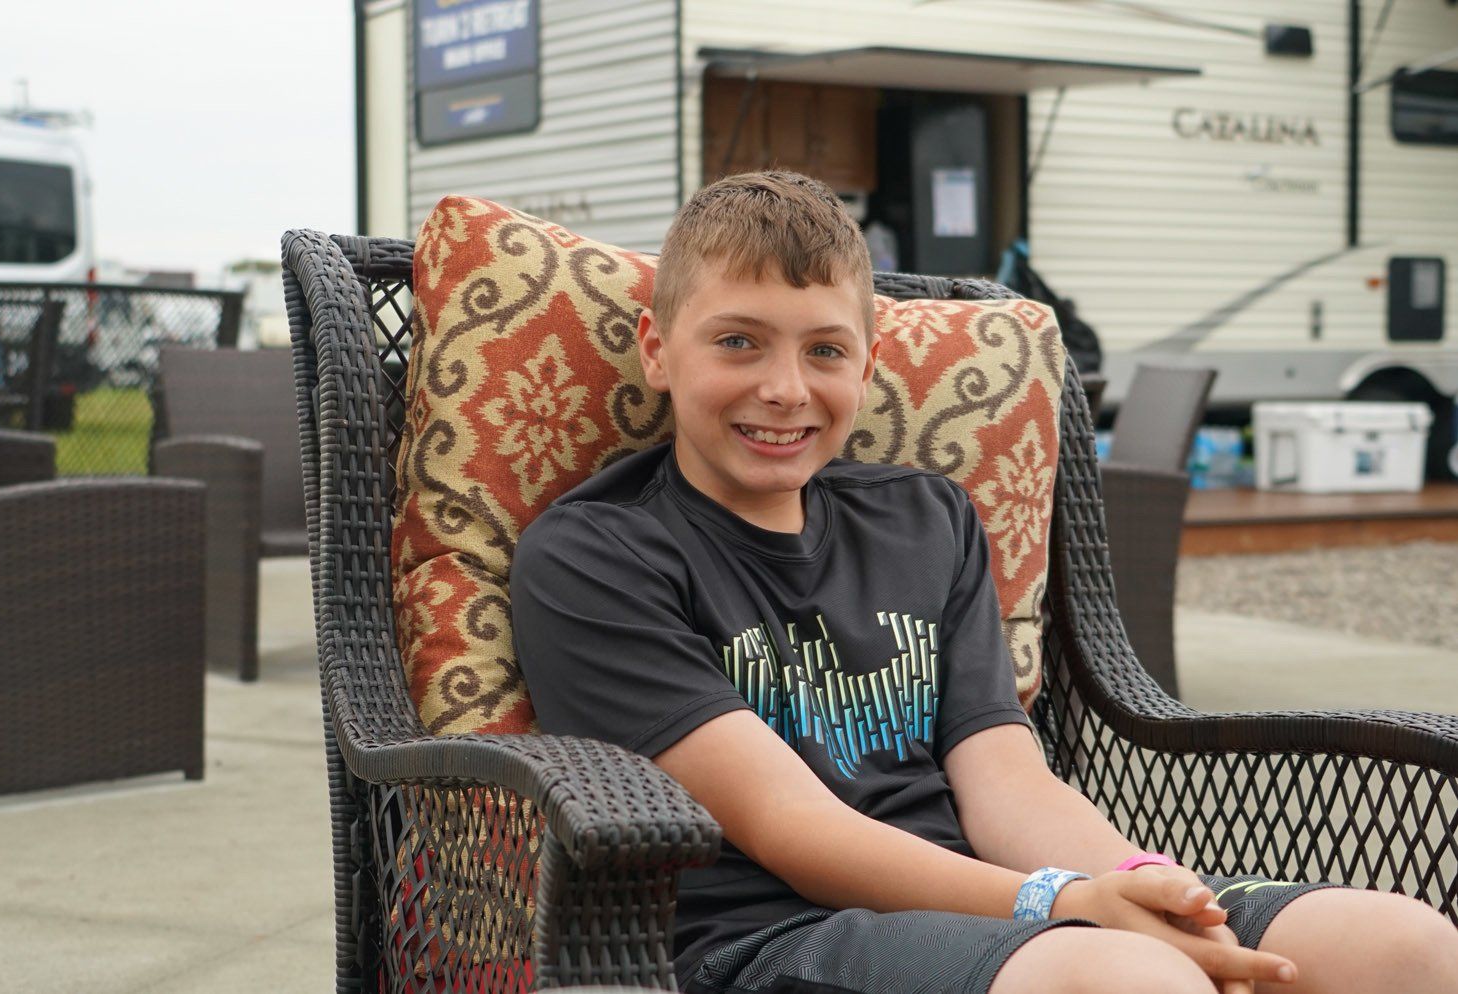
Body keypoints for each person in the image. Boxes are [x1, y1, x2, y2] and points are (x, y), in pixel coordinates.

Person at [508, 170, 1458, 994]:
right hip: (773, 934)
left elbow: (1007, 779)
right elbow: (787, 824)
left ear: (869, 363)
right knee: (1136, 980)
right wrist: (1064, 904)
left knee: (1404, 949)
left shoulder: (927, 520)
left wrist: (1150, 888)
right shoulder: (596, 556)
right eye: (738, 342)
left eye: (825, 350)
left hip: (1000, 903)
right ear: (656, 349)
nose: (787, 388)